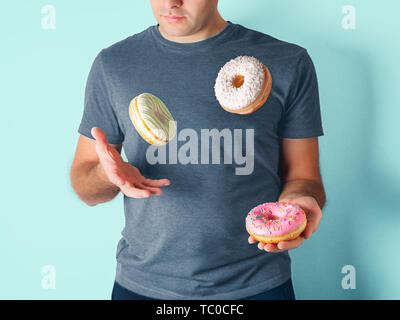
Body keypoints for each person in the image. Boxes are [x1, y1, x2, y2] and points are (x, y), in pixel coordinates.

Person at [70, 0, 326, 300]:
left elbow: (304, 176)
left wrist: (300, 201)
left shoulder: (286, 61)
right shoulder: (114, 64)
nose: (171, 2)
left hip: (258, 283)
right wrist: (108, 175)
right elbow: (85, 186)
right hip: (143, 285)